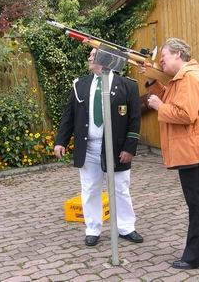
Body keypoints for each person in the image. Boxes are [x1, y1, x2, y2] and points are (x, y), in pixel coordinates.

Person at [140, 37, 199, 269]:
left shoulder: (188, 79)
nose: (161, 62)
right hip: (197, 150)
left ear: (178, 54)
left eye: (163, 58)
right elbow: (170, 96)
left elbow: (185, 114)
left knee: (197, 205)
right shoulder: (185, 78)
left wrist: (158, 107)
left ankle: (196, 257)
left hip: (192, 152)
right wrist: (151, 80)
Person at [54, 48, 143, 247]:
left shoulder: (127, 85)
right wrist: (61, 141)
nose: (89, 58)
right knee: (90, 189)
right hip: (89, 149)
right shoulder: (80, 85)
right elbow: (69, 116)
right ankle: (93, 229)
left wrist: (130, 147)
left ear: (104, 59)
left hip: (117, 149)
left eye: (93, 56)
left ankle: (126, 227)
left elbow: (134, 120)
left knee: (120, 188)